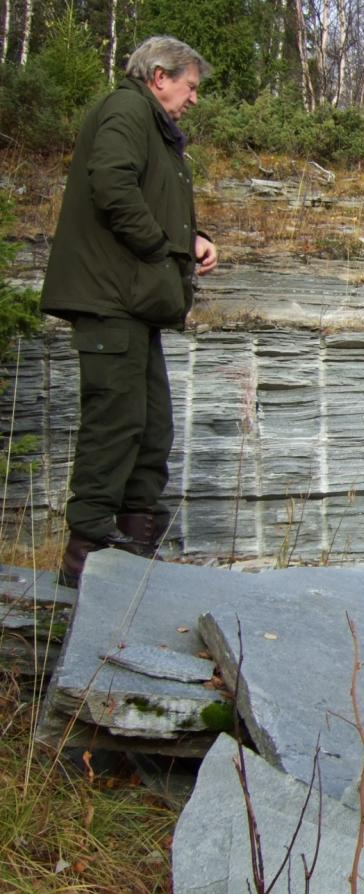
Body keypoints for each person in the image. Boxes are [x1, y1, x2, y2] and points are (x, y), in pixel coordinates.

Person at [40, 35, 218, 587]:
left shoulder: (153, 124)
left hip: (134, 302)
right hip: (110, 297)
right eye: (190, 86)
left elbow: (146, 195)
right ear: (160, 75)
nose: (194, 99)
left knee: (150, 426)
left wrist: (192, 239)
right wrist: (164, 246)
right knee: (115, 422)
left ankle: (137, 543)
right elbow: (111, 185)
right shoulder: (126, 109)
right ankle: (88, 556)